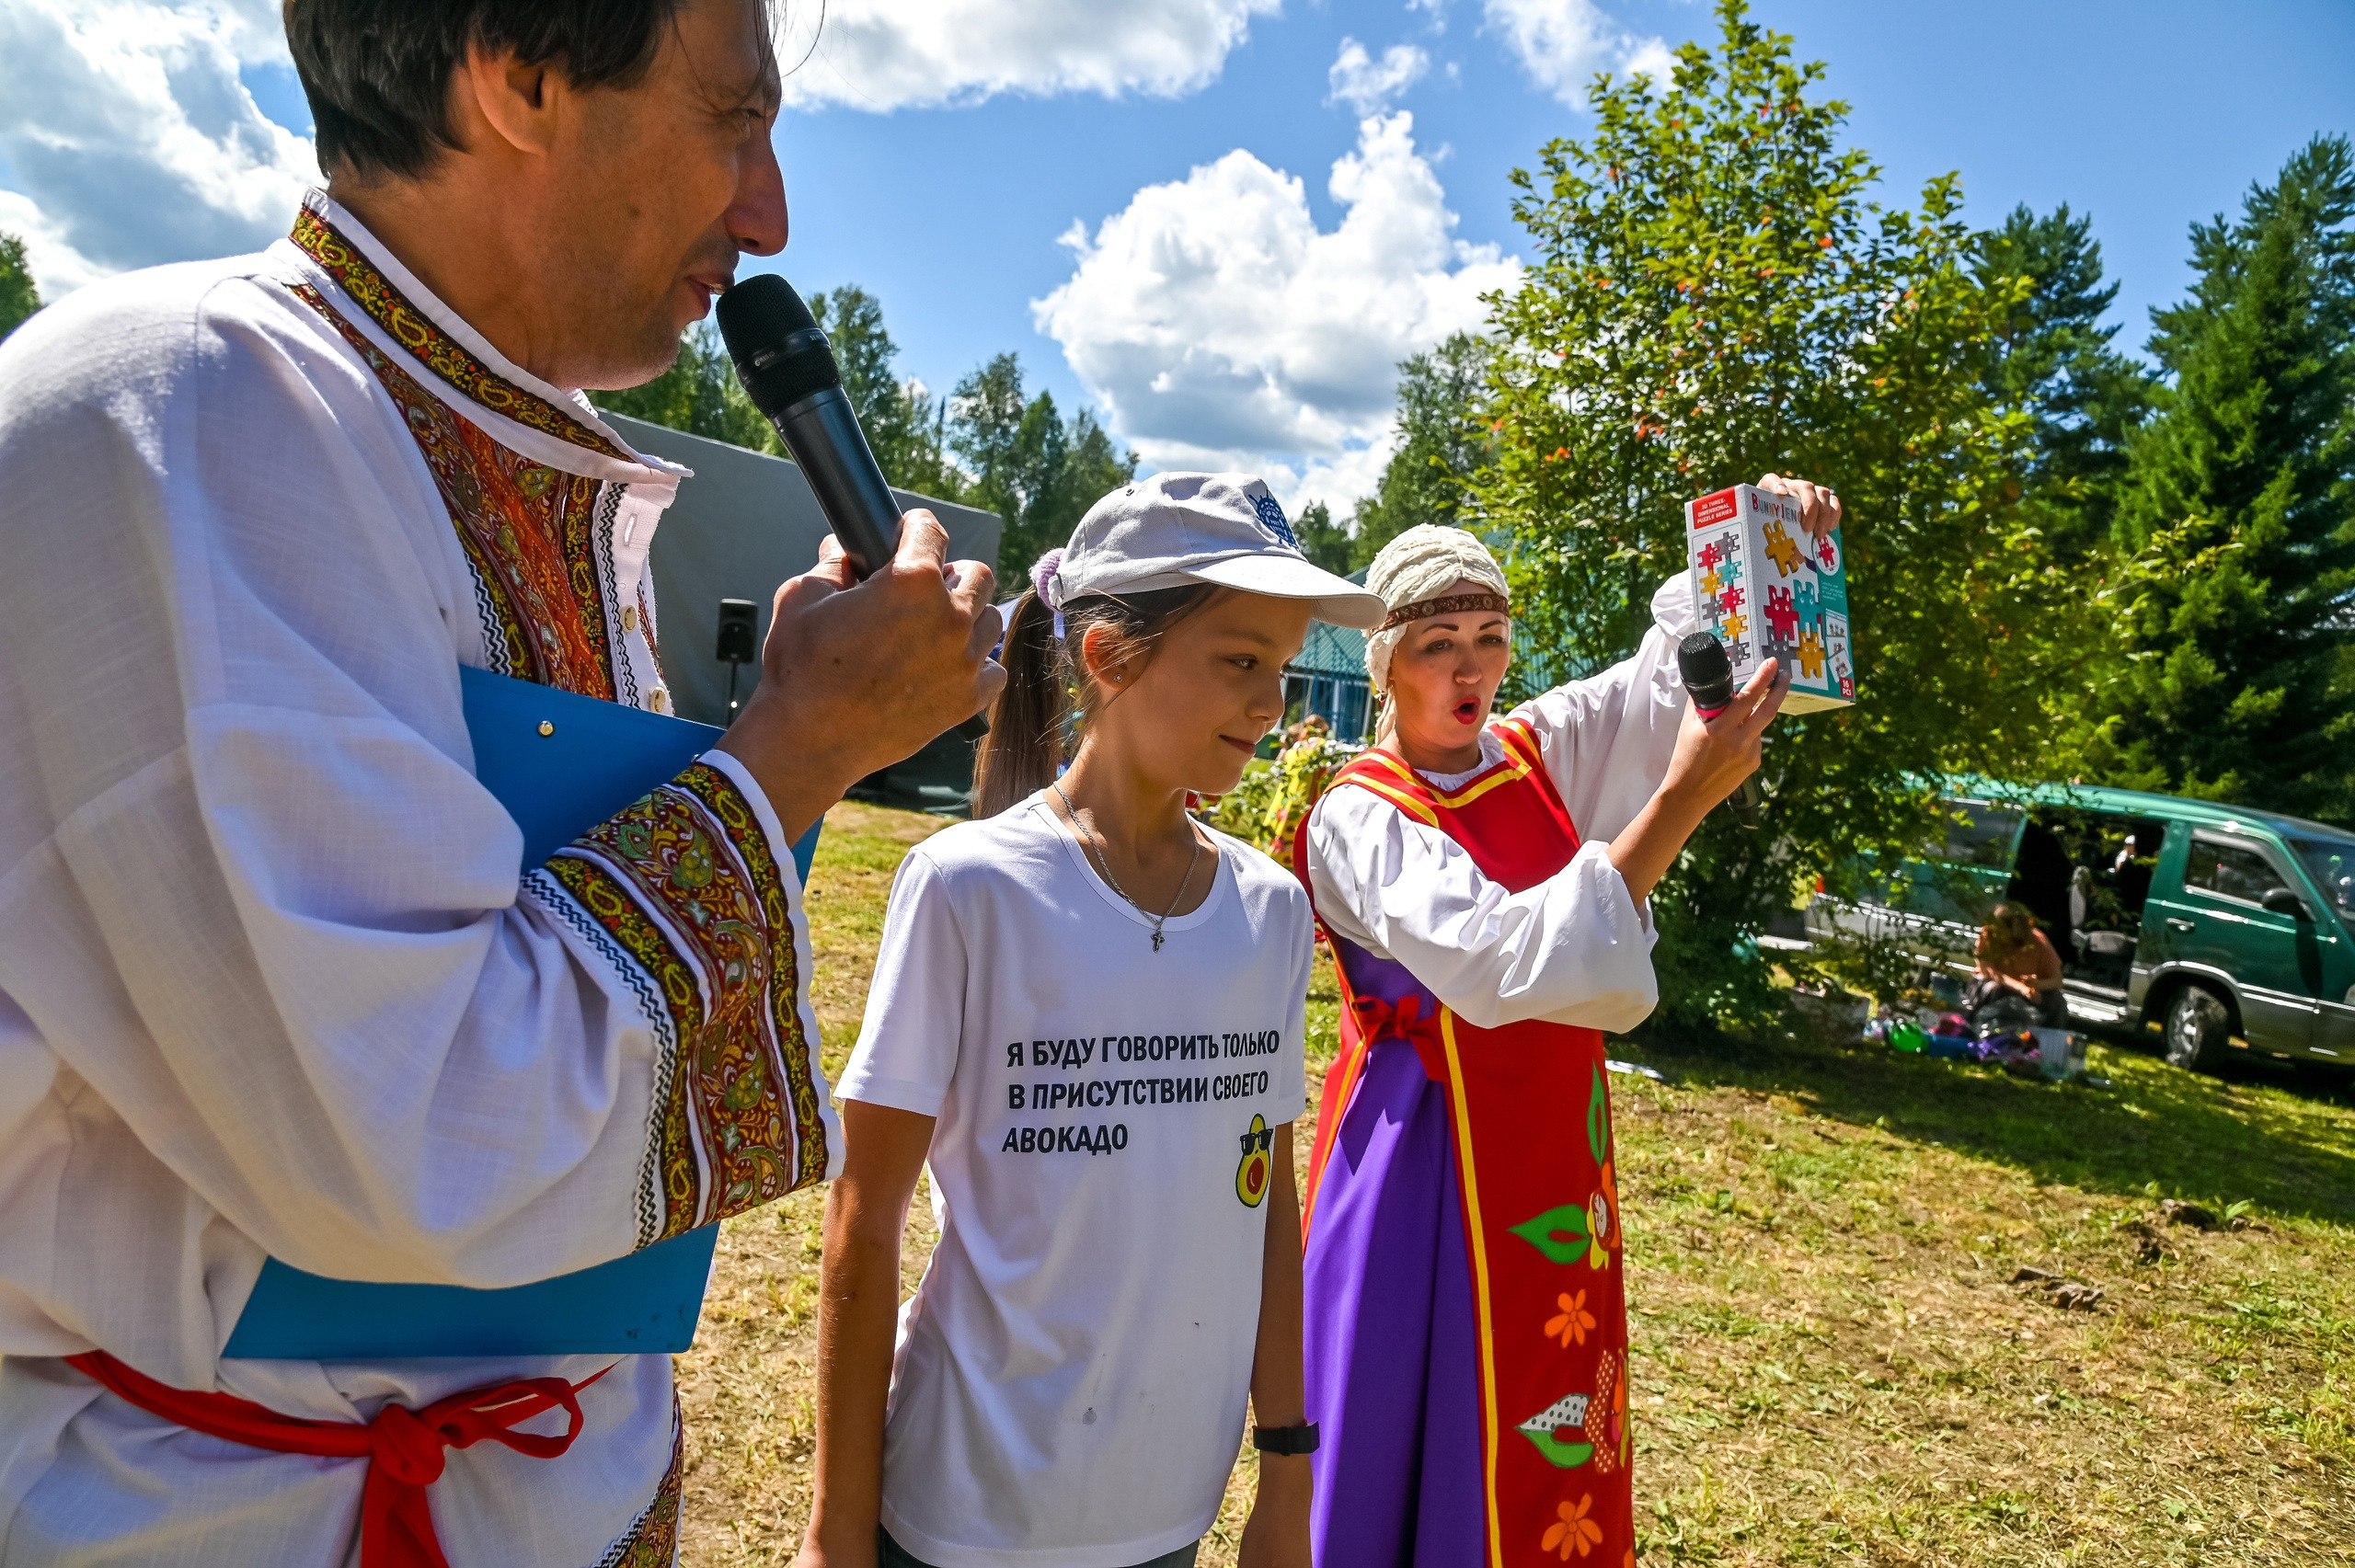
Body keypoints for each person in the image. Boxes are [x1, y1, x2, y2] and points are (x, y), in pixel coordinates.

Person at [0, 2, 1000, 1562]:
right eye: (734, 121)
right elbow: (415, 1141)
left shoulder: (458, 438)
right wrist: (794, 751)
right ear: (518, 78)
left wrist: (792, 747)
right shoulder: (193, 410)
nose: (771, 210)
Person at [800, 475, 1384, 1568]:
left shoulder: (1270, 912)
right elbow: (863, 1217)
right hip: (962, 1509)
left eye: (1283, 669)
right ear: (1110, 655)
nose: (1272, 705)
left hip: (1171, 1509)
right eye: (1240, 660)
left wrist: (1288, 1479)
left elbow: (1262, 1204)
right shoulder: (965, 885)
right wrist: (837, 1528)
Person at [1295, 478, 1840, 1568]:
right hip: (1426, 1162)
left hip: (1547, 1148)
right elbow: (1498, 964)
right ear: (1386, 664)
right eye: (1437, 642)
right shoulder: (1361, 811)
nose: (1469, 667)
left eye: (1489, 638)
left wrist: (1757, 541)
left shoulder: (1528, 752)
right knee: (1425, 1410)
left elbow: (1652, 686)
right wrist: (1678, 805)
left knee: (1548, 1402)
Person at [1970, 902, 2067, 1028]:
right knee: (1994, 988)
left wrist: (2037, 985)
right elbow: (1990, 972)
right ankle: (1982, 1029)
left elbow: (2058, 981)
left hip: (2027, 990)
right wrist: (2022, 988)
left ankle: (2049, 1041)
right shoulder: (1988, 934)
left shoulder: (2039, 941)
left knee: (2057, 1000)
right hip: (1995, 986)